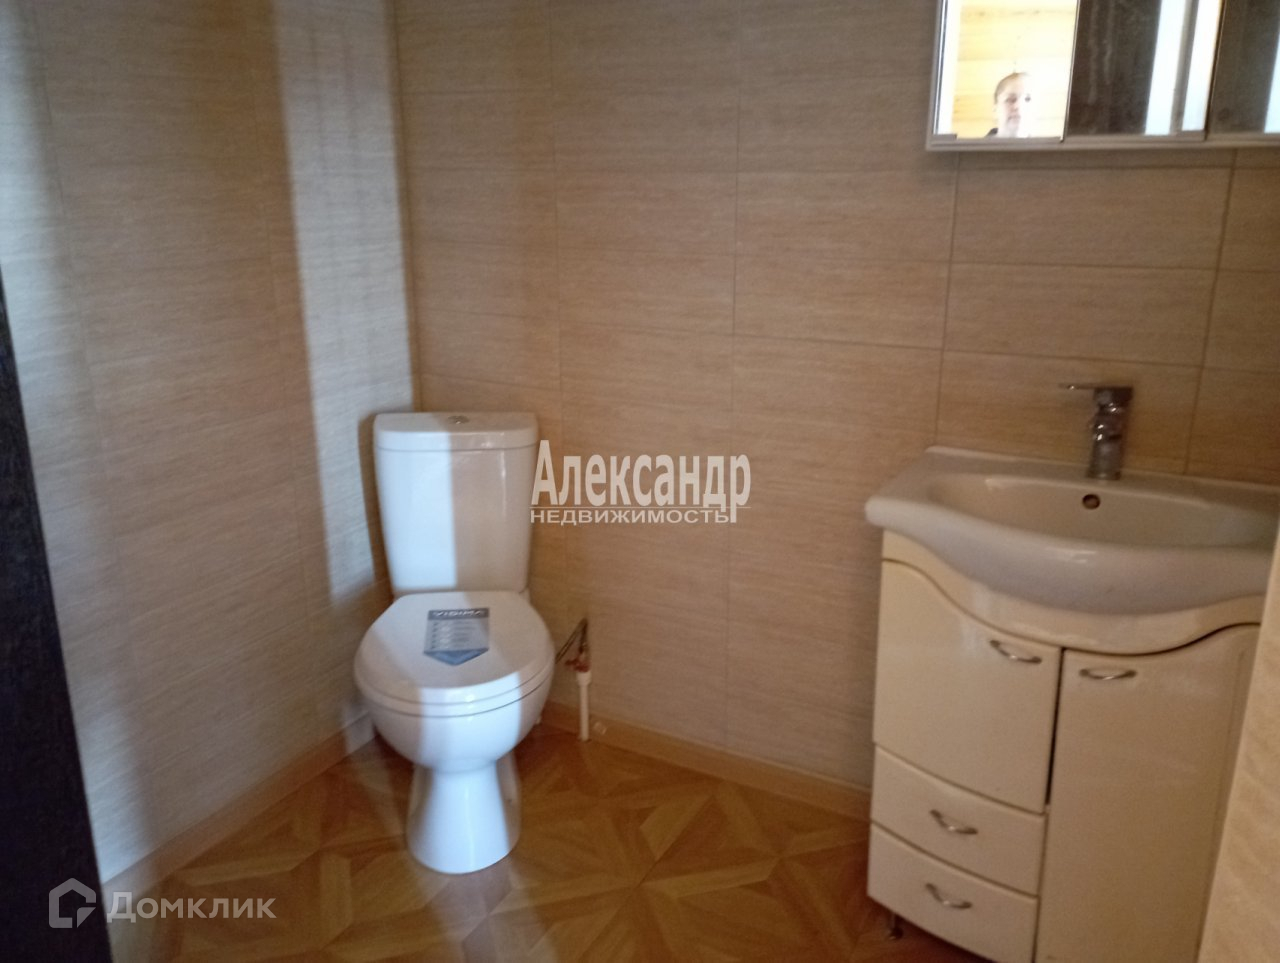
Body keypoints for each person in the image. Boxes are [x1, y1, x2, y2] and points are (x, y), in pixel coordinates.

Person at [987, 71, 1035, 138]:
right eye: (1010, 100)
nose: (1018, 106)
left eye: (1027, 99)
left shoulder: (1048, 145)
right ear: (995, 110)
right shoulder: (976, 145)